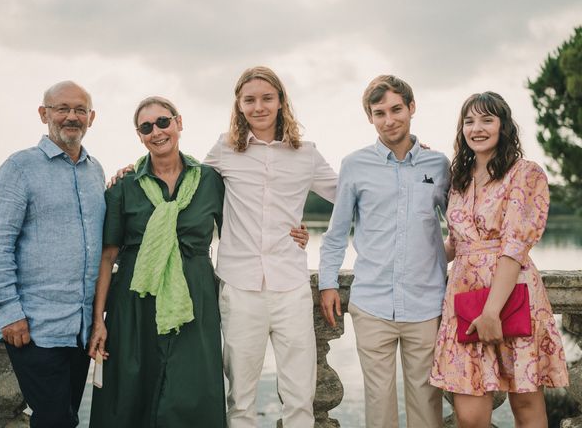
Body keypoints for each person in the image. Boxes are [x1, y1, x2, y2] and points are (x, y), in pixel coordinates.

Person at [204, 66, 337, 428]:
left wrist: (408, 159)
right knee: (241, 400)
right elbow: (186, 188)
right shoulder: (224, 150)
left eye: (266, 98)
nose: (258, 106)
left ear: (280, 102)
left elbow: (348, 197)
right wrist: (131, 172)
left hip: (290, 286)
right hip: (239, 285)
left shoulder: (306, 154)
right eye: (250, 99)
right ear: (239, 105)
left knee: (299, 398)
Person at [429, 92, 569, 427]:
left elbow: (514, 247)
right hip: (464, 297)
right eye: (469, 121)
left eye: (486, 120)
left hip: (513, 293)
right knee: (470, 415)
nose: (477, 128)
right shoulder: (459, 179)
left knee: (525, 404)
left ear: (503, 126)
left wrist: (491, 311)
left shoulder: (525, 173)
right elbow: (456, 243)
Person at [319, 74, 450, 428]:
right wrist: (327, 283)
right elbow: (335, 233)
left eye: (396, 109)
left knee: (426, 403)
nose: (389, 119)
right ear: (370, 118)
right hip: (372, 304)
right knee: (378, 407)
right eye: (380, 113)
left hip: (426, 305)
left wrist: (439, 256)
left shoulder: (438, 165)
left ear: (411, 107)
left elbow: (462, 227)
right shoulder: (355, 165)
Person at [87, 96, 227, 427]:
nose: (157, 132)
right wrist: (99, 320)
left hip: (195, 299)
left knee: (193, 392)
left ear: (179, 122)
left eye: (163, 122)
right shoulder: (124, 186)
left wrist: (292, 232)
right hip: (135, 302)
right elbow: (107, 257)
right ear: (140, 135)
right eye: (146, 127)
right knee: (130, 393)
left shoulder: (211, 180)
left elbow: (244, 229)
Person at [0, 81, 105, 427]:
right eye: (62, 108)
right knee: (55, 421)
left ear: (91, 118)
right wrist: (8, 310)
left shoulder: (96, 171)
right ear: (43, 114)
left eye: (80, 110)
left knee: (65, 418)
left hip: (79, 330)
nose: (71, 116)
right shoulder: (18, 168)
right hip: (34, 326)